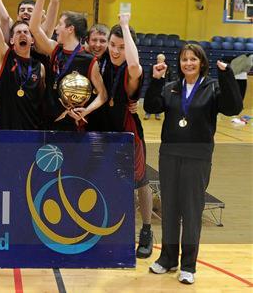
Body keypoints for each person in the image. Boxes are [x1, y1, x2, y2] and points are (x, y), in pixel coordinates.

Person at [144, 44, 242, 284]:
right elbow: (151, 107)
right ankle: (167, 259)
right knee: (169, 209)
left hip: (198, 156)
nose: (188, 63)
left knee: (190, 211)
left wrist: (227, 75)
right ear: (179, 63)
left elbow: (233, 108)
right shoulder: (170, 88)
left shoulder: (213, 88)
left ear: (202, 62)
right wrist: (156, 80)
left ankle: (188, 266)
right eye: (184, 59)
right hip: (169, 154)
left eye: (193, 59)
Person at [101, 15, 153, 259]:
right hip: (105, 132)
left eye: (122, 47)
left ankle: (146, 231)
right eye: (113, 45)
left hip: (128, 132)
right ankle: (115, 233)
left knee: (139, 184)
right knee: (111, 184)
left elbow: (134, 66)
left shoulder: (131, 70)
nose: (115, 51)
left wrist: (124, 25)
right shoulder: (101, 62)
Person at [30, 0, 107, 130]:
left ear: (70, 29)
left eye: (60, 25)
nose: (56, 29)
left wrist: (86, 111)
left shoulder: (89, 60)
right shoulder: (55, 49)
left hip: (71, 125)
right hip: (47, 120)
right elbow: (34, 28)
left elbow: (103, 95)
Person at [0, 0, 45, 130]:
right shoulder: (4, 55)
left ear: (32, 40)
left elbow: (40, 100)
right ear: (12, 40)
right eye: (18, 32)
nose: (22, 34)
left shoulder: (40, 67)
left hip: (31, 128)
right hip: (3, 128)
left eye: (26, 32)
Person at [144, 53, 174, 120]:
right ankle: (148, 113)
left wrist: (169, 86)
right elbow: (149, 76)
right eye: (158, 59)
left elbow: (170, 78)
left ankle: (157, 113)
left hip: (162, 85)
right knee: (150, 99)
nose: (158, 60)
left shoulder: (168, 67)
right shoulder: (153, 66)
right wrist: (150, 83)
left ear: (164, 60)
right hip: (153, 85)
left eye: (160, 59)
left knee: (159, 100)